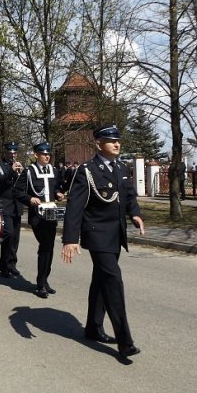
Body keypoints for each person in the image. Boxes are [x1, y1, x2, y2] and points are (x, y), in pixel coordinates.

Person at [61, 125, 145, 360]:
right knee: (113, 280)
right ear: (99, 144)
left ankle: (93, 327)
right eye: (111, 141)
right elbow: (75, 207)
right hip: (97, 235)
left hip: (115, 234)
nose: (117, 144)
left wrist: (135, 214)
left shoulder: (121, 167)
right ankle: (125, 342)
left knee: (101, 279)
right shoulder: (87, 171)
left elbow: (129, 196)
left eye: (118, 141)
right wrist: (70, 239)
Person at [15, 141, 64, 298]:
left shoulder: (54, 170)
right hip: (37, 215)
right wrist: (29, 199)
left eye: (48, 154)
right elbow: (16, 191)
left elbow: (55, 187)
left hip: (51, 213)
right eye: (44, 154)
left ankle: (44, 280)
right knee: (45, 246)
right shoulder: (29, 171)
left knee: (49, 247)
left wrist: (58, 193)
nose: (47, 156)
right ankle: (41, 283)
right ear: (36, 155)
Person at [0, 141, 24, 278]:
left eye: (14, 152)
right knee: (8, 234)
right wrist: (11, 171)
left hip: (17, 204)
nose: (12, 155)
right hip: (4, 203)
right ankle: (4, 265)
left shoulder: (20, 165)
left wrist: (22, 173)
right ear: (5, 152)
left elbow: (22, 185)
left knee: (15, 237)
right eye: (10, 152)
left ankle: (12, 264)